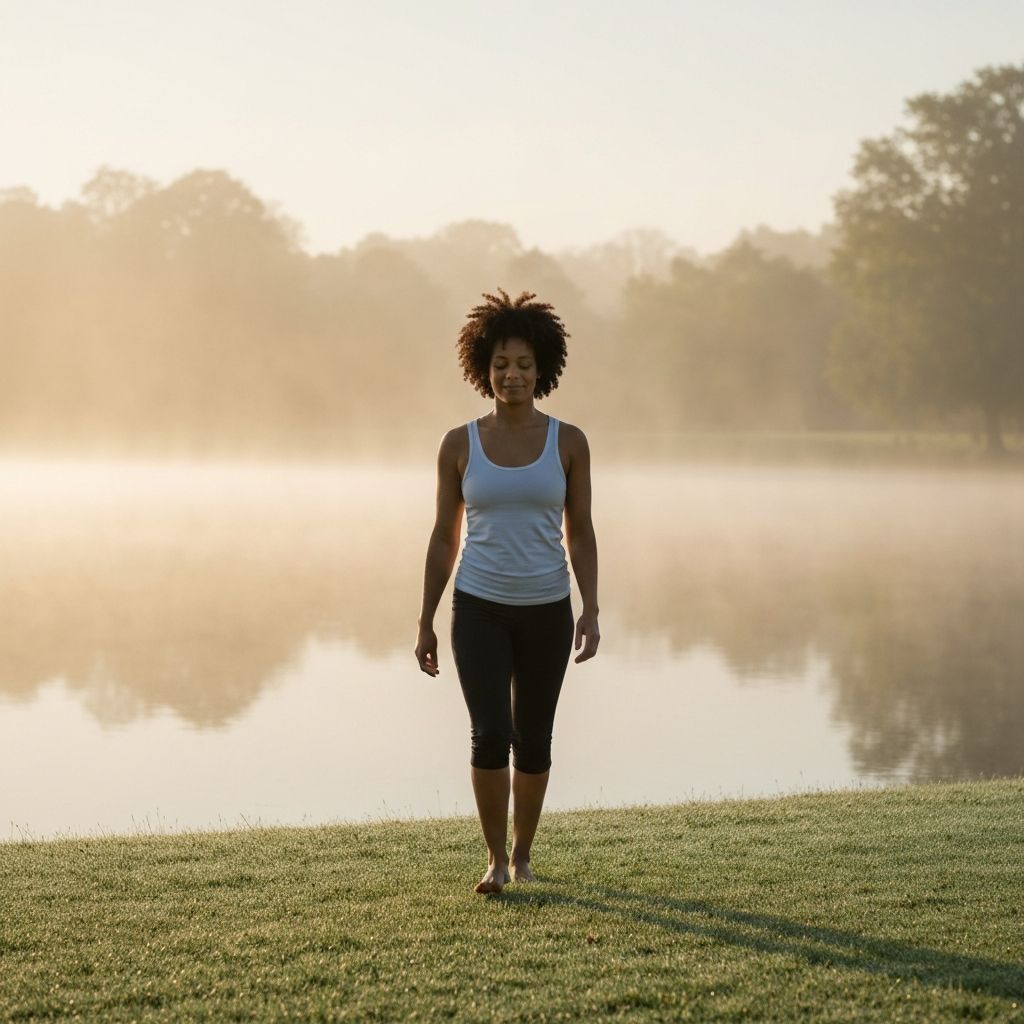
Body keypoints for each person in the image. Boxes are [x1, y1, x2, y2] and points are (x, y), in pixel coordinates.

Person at [415, 288, 600, 894]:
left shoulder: (568, 442)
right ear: (482, 368)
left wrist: (591, 608)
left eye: (522, 365)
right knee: (491, 731)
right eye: (500, 364)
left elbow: (581, 532)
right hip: (478, 608)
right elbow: (444, 537)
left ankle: (523, 855)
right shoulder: (459, 444)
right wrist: (426, 619)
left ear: (541, 368)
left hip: (548, 609)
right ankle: (494, 860)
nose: (512, 375)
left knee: (535, 735)